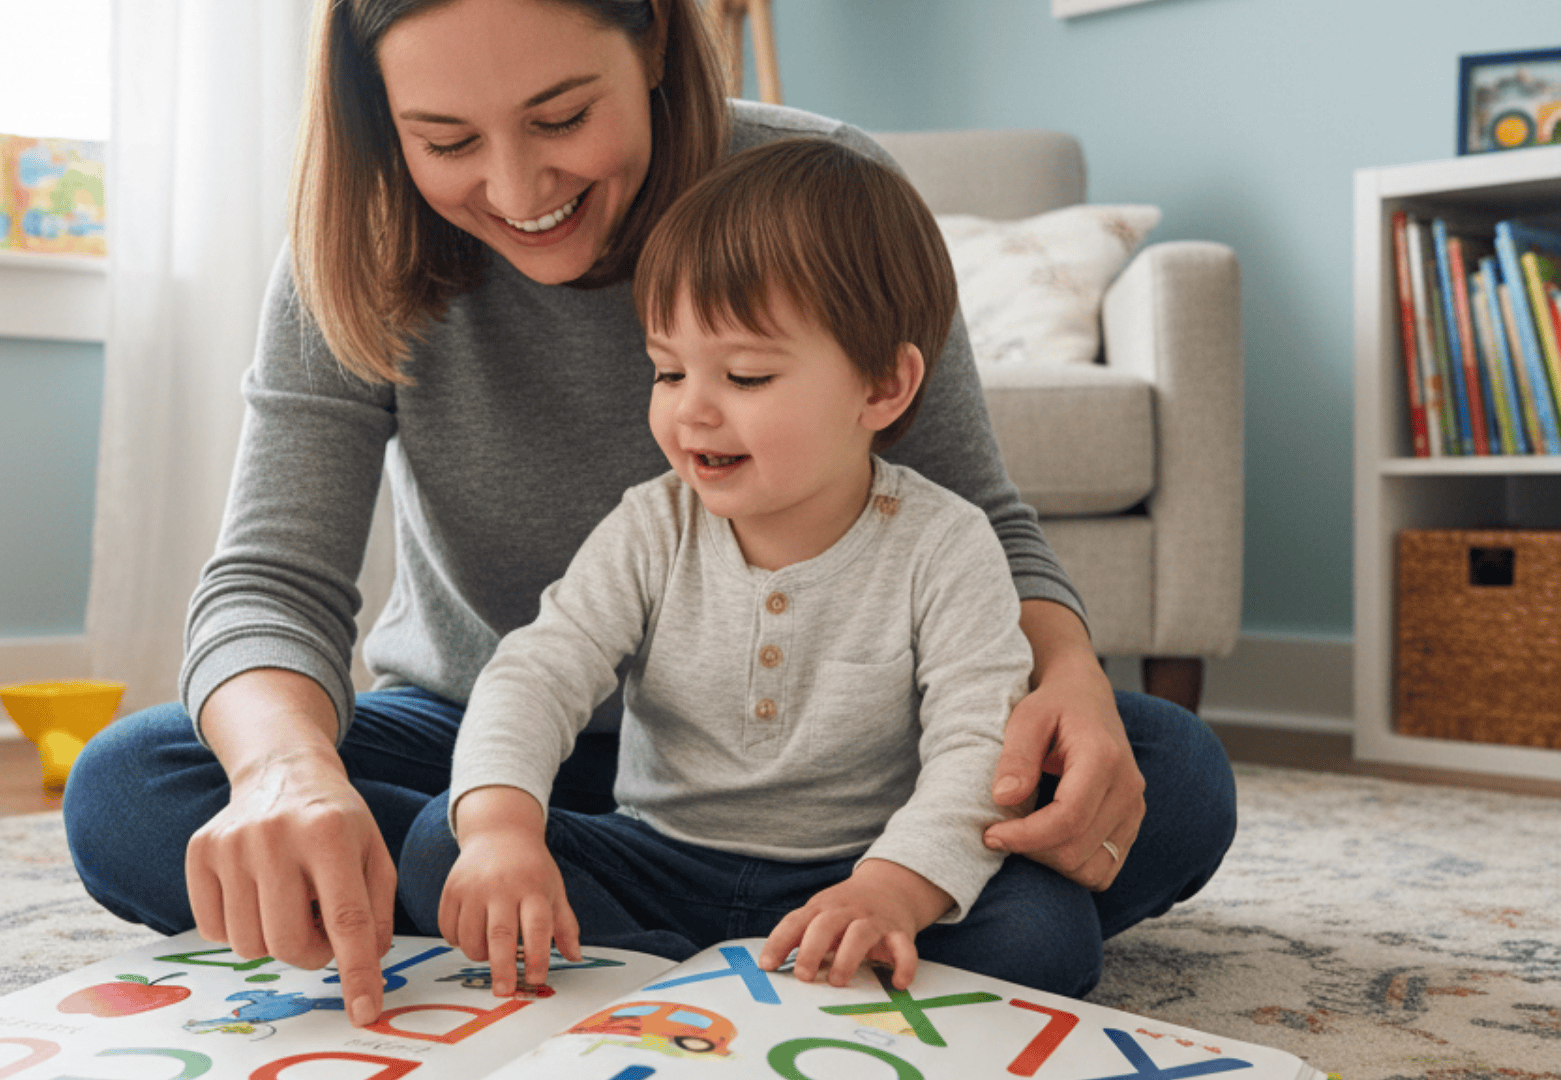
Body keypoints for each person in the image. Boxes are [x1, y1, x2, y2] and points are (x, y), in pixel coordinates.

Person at [62, 0, 1236, 1028]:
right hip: (493, 742)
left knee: (1168, 772)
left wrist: (1068, 676)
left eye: (563, 117)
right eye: (447, 140)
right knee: (134, 789)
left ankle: (612, 926)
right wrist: (287, 778)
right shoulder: (355, 249)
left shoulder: (820, 202)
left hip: (840, 775)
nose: (518, 191)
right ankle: (577, 892)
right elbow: (271, 582)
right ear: (383, 123)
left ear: (659, 45)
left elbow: (977, 521)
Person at [398, 137, 1043, 997]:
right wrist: (502, 831)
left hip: (855, 866)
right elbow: (538, 672)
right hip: (658, 856)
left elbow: (979, 744)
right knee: (443, 843)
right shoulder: (652, 524)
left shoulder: (945, 543)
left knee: (1044, 939)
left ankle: (692, 969)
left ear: (882, 387)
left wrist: (893, 887)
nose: (690, 409)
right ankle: (698, 971)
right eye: (667, 370)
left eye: (743, 374)